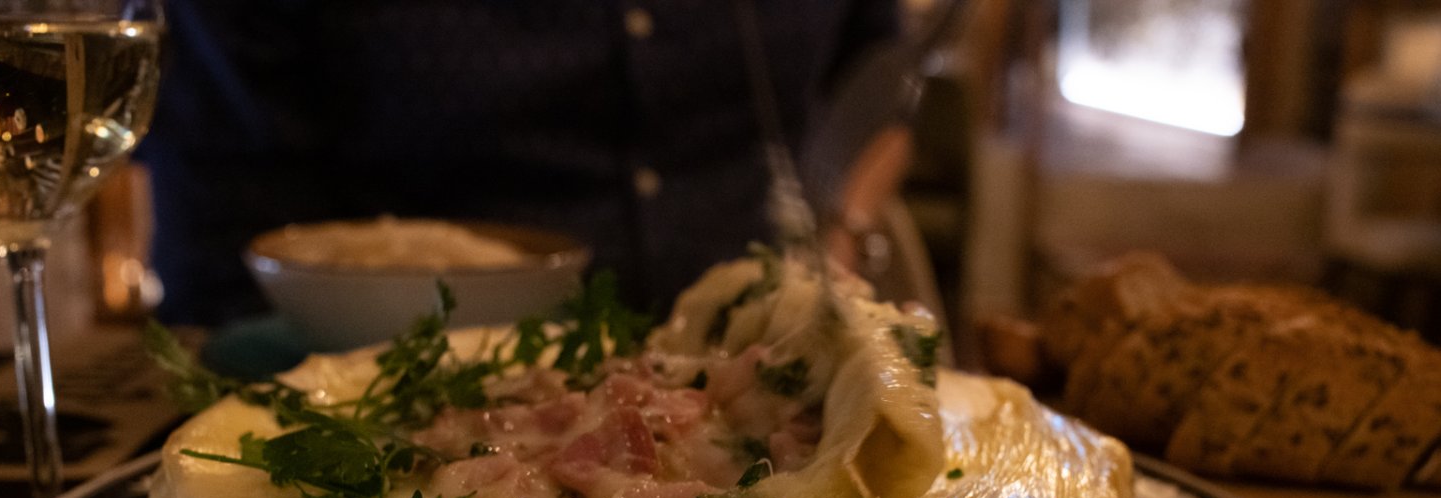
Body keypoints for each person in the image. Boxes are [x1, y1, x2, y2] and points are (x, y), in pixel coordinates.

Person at [140, 0, 905, 327]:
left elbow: (876, 69)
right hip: (407, 418)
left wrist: (847, 229)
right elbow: (219, 244)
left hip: (755, 384)